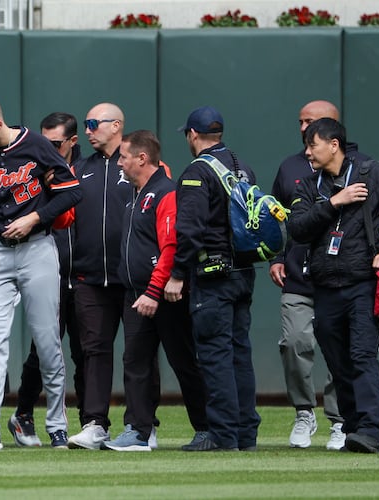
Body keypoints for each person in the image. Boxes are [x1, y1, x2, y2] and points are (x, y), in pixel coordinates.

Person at [290, 117, 379, 453]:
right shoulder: (308, 186)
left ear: (333, 144)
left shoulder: (373, 174)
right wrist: (335, 202)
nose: (307, 152)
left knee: (362, 354)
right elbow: (297, 228)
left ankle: (370, 430)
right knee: (337, 361)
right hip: (323, 286)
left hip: (363, 282)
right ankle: (351, 426)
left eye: (312, 144)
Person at [0, 96, 82, 451]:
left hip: (36, 249)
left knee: (47, 343)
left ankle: (57, 423)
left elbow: (71, 193)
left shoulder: (36, 145)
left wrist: (34, 217)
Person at [270, 100, 370, 450]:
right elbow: (282, 220)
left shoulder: (363, 168)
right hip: (299, 273)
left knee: (339, 350)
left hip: (342, 276)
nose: (302, 129)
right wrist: (277, 257)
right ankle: (303, 411)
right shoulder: (290, 168)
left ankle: (340, 418)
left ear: (333, 132)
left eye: (310, 123)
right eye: (300, 122)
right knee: (294, 342)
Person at [100, 130, 208, 451]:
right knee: (135, 362)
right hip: (135, 293)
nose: (119, 163)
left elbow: (171, 247)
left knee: (184, 362)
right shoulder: (137, 192)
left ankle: (206, 428)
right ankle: (138, 431)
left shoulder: (165, 192)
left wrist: (153, 290)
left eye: (123, 157)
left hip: (163, 295)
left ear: (142, 158)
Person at [165, 106, 261, 451]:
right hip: (243, 272)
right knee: (239, 354)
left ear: (192, 135)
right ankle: (246, 434)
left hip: (212, 276)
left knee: (215, 357)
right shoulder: (241, 167)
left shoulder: (196, 172)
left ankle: (223, 436)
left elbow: (189, 230)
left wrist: (177, 275)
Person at [67, 103, 159, 450]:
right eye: (86, 124)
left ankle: (143, 425)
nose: (88, 130)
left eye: (94, 124)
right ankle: (94, 423)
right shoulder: (79, 167)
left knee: (139, 353)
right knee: (93, 350)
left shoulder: (140, 165)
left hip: (132, 280)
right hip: (90, 277)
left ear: (116, 125)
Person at [7, 112, 85, 447]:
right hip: (45, 272)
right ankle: (23, 414)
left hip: (84, 276)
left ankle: (90, 422)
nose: (48, 149)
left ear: (72, 142)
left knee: (85, 352)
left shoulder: (90, 171)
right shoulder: (32, 166)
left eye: (55, 144)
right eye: (44, 142)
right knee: (43, 350)